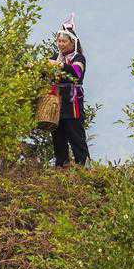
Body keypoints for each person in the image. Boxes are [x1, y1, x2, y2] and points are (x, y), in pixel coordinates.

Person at [47, 14, 90, 167]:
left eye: (64, 41)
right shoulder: (55, 57)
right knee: (58, 137)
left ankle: (83, 166)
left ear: (72, 42)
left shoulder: (79, 58)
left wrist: (59, 66)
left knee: (76, 135)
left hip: (73, 103)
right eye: (59, 41)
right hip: (56, 103)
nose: (60, 44)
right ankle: (61, 166)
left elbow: (76, 73)